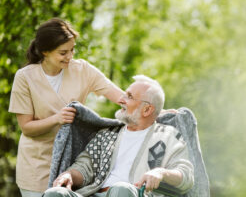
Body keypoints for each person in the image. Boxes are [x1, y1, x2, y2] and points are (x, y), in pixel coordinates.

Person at [8, 18, 124, 197]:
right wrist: (57, 119)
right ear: (45, 51)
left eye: (72, 50)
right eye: (63, 53)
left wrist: (153, 109)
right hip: (36, 167)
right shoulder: (25, 77)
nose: (70, 56)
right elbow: (26, 128)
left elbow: (121, 97)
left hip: (72, 167)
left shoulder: (83, 70)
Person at [43, 75, 194, 197]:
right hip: (94, 194)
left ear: (147, 109)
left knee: (121, 189)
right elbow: (84, 167)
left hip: (134, 194)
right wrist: (69, 175)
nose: (121, 100)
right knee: (55, 194)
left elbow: (186, 175)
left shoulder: (168, 136)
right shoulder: (108, 134)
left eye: (129, 96)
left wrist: (160, 173)